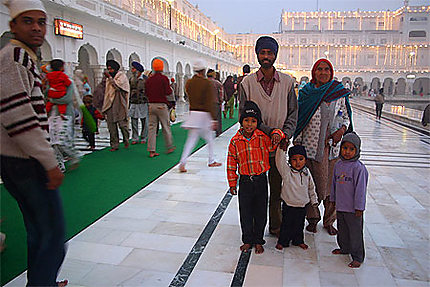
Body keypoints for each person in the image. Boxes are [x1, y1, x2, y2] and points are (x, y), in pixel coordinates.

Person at [0, 0, 67, 286]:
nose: (38, 28)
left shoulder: (22, 56)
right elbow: (19, 119)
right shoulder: (14, 57)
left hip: (21, 160)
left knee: (38, 231)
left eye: (42, 22)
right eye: (28, 21)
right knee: (53, 234)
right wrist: (49, 162)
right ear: (12, 25)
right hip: (25, 161)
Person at [238, 36, 298, 237]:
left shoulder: (287, 82)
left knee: (276, 188)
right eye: (262, 52)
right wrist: (269, 131)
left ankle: (275, 225)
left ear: (275, 55)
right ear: (257, 55)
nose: (266, 56)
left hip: (279, 146)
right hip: (254, 148)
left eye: (270, 53)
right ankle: (255, 230)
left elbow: (292, 113)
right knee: (256, 192)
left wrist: (284, 134)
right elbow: (243, 116)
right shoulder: (247, 83)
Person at [293, 58, 353, 235]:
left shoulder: (338, 93)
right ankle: (312, 219)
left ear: (331, 72)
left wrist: (341, 130)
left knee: (331, 188)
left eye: (326, 69)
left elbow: (345, 117)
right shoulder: (306, 93)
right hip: (310, 149)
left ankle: (329, 220)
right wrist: (297, 144)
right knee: (310, 186)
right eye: (319, 69)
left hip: (332, 150)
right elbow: (300, 119)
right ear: (314, 72)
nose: (323, 72)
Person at [227, 101, 284, 254]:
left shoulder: (262, 138)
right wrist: (233, 183)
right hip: (245, 182)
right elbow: (231, 163)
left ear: (258, 123)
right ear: (241, 121)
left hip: (261, 181)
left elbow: (275, 142)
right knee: (245, 212)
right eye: (246, 120)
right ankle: (247, 240)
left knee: (260, 212)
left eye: (253, 121)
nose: (249, 124)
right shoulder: (235, 141)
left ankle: (258, 240)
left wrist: (278, 134)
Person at [330, 132, 368, 268]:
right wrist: (333, 200)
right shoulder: (338, 165)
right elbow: (334, 184)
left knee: (355, 232)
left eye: (352, 149)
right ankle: (344, 248)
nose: (347, 152)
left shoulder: (359, 168)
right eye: (345, 148)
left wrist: (359, 207)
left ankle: (357, 256)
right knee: (343, 229)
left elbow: (360, 190)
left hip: (353, 209)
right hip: (341, 206)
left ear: (357, 150)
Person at [178, 59, 222, 172]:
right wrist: (213, 119)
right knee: (210, 139)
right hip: (204, 115)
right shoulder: (207, 83)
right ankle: (211, 160)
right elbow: (209, 102)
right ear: (203, 70)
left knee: (191, 140)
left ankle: (183, 162)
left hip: (193, 114)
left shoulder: (189, 83)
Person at [275, 145, 317, 251]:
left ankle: (298, 241)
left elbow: (311, 188)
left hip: (302, 205)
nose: (298, 162)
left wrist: (314, 200)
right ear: (290, 160)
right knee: (286, 224)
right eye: (294, 159)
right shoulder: (287, 172)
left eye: (301, 159)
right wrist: (281, 149)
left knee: (299, 225)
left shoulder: (307, 173)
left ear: (305, 160)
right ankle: (282, 242)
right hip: (288, 205)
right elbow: (279, 161)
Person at [145, 58, 175, 157]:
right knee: (166, 126)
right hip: (161, 106)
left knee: (152, 128)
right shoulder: (164, 79)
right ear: (161, 68)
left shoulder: (149, 80)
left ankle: (151, 150)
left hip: (151, 105)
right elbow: (168, 92)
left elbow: (146, 93)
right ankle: (169, 146)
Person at [102, 59, 130, 151]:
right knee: (111, 126)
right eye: (108, 69)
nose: (110, 71)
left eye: (111, 69)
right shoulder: (108, 79)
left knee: (122, 125)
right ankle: (114, 144)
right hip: (110, 104)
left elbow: (118, 87)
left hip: (120, 104)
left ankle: (126, 139)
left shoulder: (121, 77)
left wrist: (110, 78)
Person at [128, 61, 148, 144]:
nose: (132, 70)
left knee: (144, 120)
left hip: (143, 102)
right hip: (134, 102)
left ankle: (144, 137)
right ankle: (135, 137)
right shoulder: (131, 79)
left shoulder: (145, 79)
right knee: (134, 120)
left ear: (138, 71)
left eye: (133, 69)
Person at [207, 68, 224, 136]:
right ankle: (218, 131)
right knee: (217, 118)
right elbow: (220, 94)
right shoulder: (218, 83)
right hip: (215, 103)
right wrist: (221, 101)